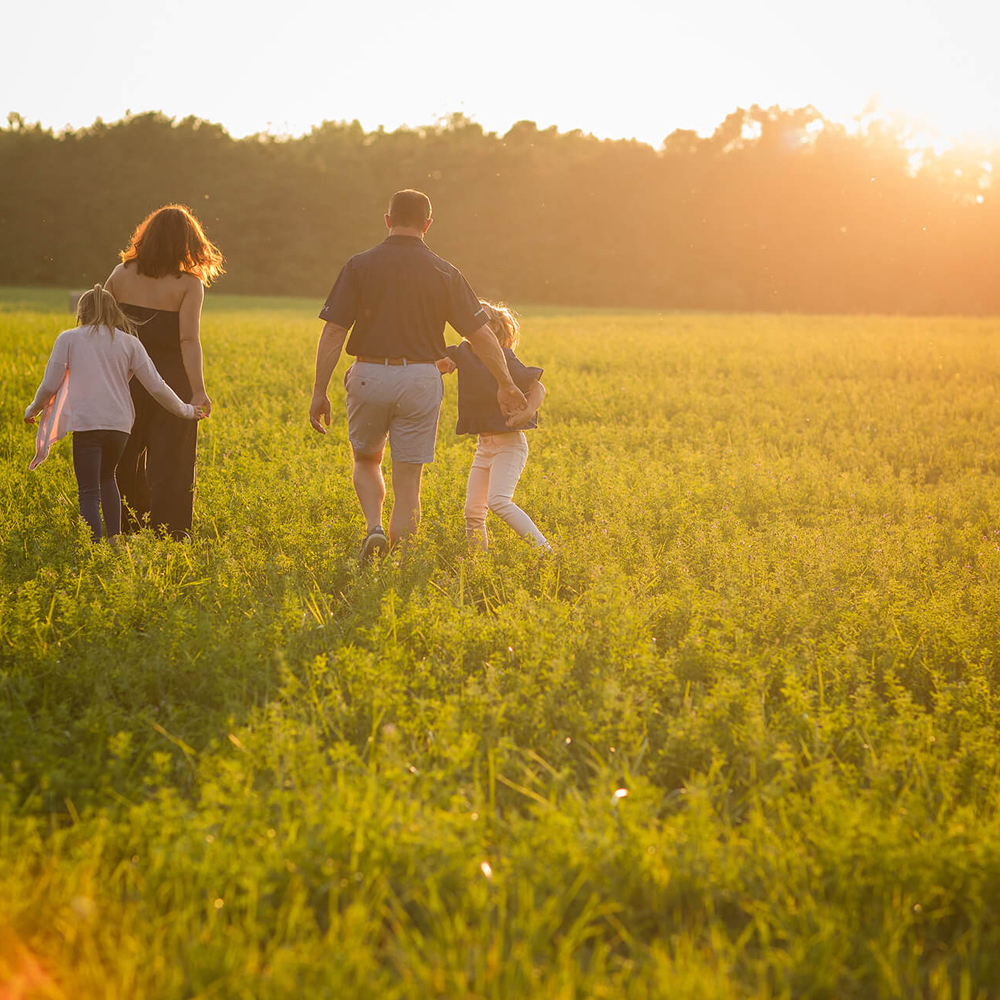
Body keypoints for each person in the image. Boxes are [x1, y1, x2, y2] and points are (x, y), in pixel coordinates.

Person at [310, 189, 527, 561]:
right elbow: (481, 335)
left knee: (366, 460)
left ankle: (374, 527)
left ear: (388, 220)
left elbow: (334, 332)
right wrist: (506, 384)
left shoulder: (359, 265)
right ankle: (402, 563)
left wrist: (319, 390)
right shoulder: (446, 272)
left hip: (369, 374)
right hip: (422, 381)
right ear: (428, 225)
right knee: (408, 480)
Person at [24, 284, 203, 543]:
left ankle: (94, 545)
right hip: (119, 428)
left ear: (81, 312)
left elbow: (49, 385)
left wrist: (33, 409)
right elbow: (158, 387)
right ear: (115, 312)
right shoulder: (130, 343)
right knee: (109, 479)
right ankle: (114, 539)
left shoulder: (69, 339)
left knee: (88, 490)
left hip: (87, 425)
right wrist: (186, 410)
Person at [104, 204, 224, 540]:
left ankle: (126, 525)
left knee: (123, 455)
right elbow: (188, 339)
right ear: (188, 243)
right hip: (172, 379)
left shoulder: (121, 274)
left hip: (124, 377)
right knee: (173, 459)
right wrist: (198, 392)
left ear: (148, 236)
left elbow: (100, 329)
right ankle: (171, 533)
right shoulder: (188, 284)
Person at [437, 301, 550, 551]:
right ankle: (479, 565)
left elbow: (537, 387)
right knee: (473, 512)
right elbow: (433, 360)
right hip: (484, 446)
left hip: (509, 445)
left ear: (494, 328)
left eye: (480, 317)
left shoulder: (503, 356)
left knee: (498, 500)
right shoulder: (462, 353)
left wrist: (529, 411)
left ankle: (546, 553)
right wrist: (443, 363)